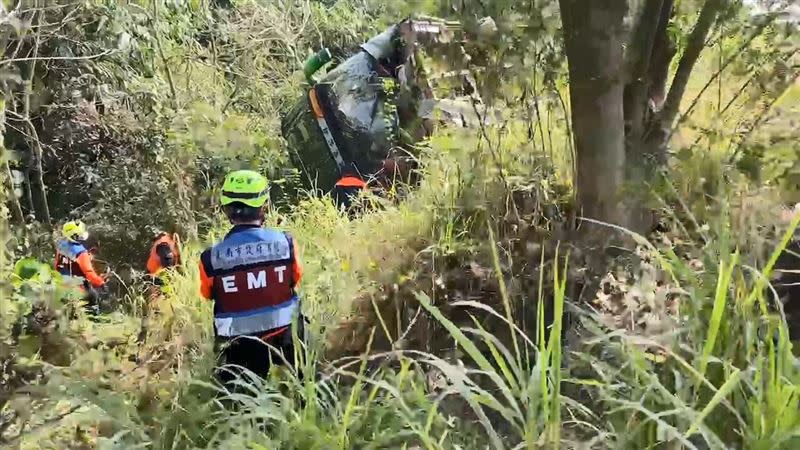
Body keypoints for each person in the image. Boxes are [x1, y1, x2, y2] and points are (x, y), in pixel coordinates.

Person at [198, 170, 305, 387]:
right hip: (285, 334)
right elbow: (295, 278)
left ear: (226, 209)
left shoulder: (211, 257)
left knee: (240, 398)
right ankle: (304, 390)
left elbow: (207, 294)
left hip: (238, 344)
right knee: (304, 377)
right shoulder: (285, 243)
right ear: (264, 205)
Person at [54, 220, 106, 312]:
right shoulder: (81, 252)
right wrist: (101, 283)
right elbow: (89, 272)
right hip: (76, 287)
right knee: (94, 295)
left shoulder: (61, 246)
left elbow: (56, 266)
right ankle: (93, 315)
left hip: (60, 284)